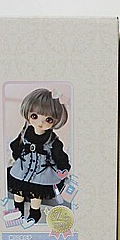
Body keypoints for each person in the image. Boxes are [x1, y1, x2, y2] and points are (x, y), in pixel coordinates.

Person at [7, 88, 71, 223]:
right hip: (23, 169)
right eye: (34, 116)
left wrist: (63, 168)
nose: (40, 123)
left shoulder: (53, 141)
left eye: (48, 119)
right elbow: (16, 145)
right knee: (18, 192)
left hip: (42, 173)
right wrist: (17, 156)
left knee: (36, 196)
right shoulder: (25, 133)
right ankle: (17, 211)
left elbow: (60, 156)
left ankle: (34, 213)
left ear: (55, 121)